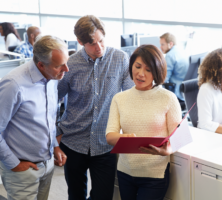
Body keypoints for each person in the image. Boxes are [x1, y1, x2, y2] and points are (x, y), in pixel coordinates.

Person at [56, 15, 134, 200]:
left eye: (101, 40)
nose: (99, 47)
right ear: (80, 42)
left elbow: (131, 97)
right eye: (92, 44)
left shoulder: (121, 59)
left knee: (103, 196)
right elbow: (52, 102)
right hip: (73, 142)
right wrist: (56, 133)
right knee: (76, 195)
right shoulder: (70, 65)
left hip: (104, 144)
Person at [106, 44, 182, 200]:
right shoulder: (119, 98)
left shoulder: (168, 98)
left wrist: (166, 151)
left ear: (157, 72)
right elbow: (109, 136)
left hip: (154, 174)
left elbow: (179, 138)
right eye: (137, 66)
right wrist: (123, 138)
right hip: (125, 171)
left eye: (148, 70)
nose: (140, 74)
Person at [0, 35, 68, 200]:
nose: (66, 69)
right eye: (60, 66)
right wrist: (14, 163)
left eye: (66, 63)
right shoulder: (13, 85)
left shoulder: (52, 77)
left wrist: (55, 146)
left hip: (47, 163)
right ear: (41, 65)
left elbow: (49, 119)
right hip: (22, 169)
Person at [160, 32, 189, 103]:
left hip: (176, 91)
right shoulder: (182, 51)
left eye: (162, 44)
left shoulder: (170, 55)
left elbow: (164, 78)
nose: (161, 47)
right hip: (186, 90)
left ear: (171, 44)